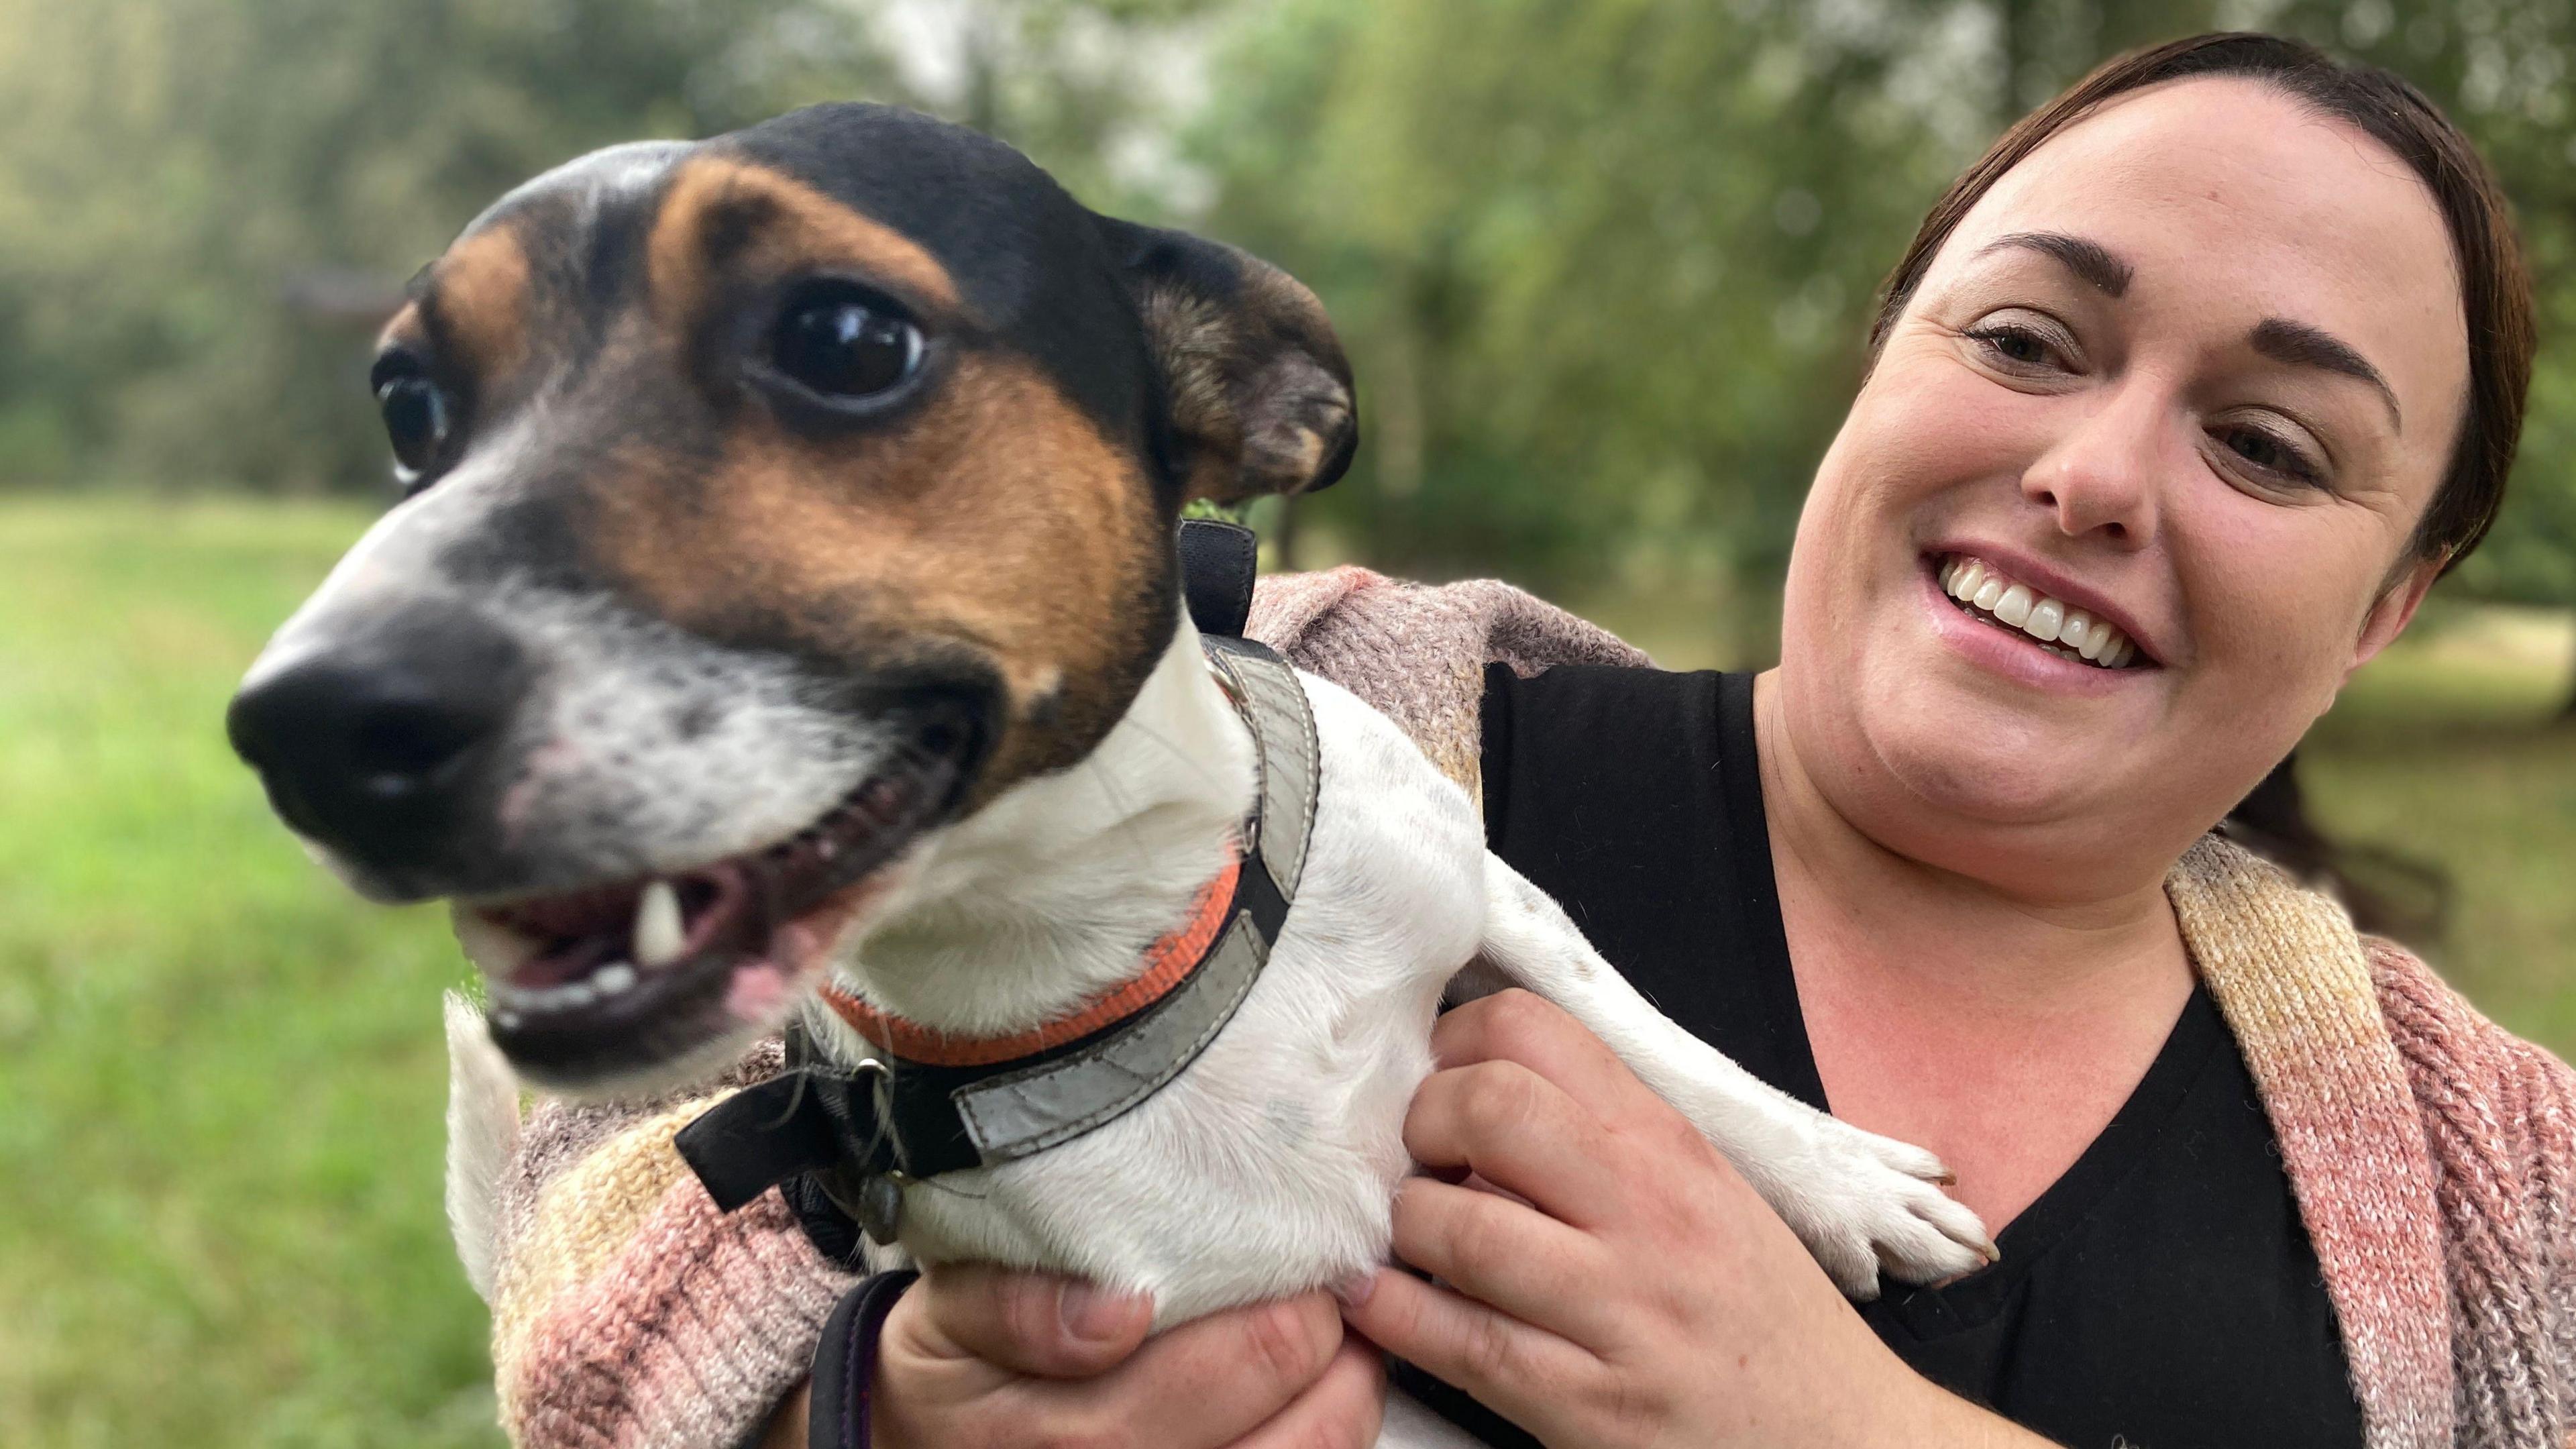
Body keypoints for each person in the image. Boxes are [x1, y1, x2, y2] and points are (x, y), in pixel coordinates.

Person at [482, 33, 2572, 1449]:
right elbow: (591, 1198)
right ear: (1881, 371)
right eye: (2027, 339)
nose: (2100, 476)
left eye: (2270, 445)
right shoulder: (1235, 724)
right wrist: (881, 1406)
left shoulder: (2520, 1198)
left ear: (2388, 603)